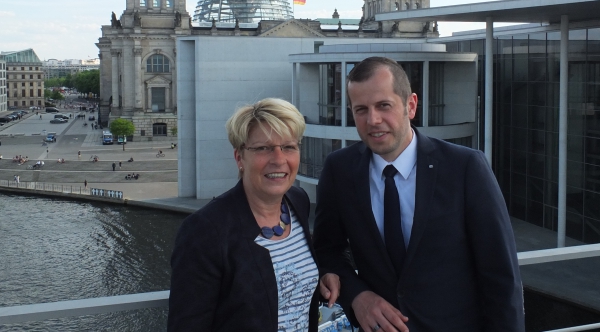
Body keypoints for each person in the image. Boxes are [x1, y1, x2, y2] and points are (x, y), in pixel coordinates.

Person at [313, 57, 525, 332]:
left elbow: (501, 276)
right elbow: (326, 250)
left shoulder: (465, 167)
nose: (373, 120)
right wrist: (358, 296)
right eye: (361, 109)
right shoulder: (339, 169)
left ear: (410, 105)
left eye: (383, 106)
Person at [168, 98, 340, 331]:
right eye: (263, 148)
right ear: (240, 157)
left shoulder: (297, 202)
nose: (279, 160)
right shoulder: (205, 230)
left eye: (288, 147)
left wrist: (319, 276)